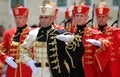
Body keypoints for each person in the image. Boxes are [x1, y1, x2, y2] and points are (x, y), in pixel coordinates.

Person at [20, 3, 84, 77]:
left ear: (52, 19)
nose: (43, 20)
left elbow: (77, 47)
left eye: (46, 17)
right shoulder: (33, 33)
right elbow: (23, 48)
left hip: (52, 73)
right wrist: (29, 61)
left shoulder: (58, 33)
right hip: (36, 72)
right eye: (41, 17)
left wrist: (70, 40)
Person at [73, 3, 112, 77]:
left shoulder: (93, 33)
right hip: (74, 70)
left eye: (81, 16)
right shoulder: (71, 33)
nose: (79, 18)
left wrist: (101, 43)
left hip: (87, 70)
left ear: (87, 17)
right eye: (77, 15)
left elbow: (107, 43)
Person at [0, 6, 32, 77]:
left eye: (20, 18)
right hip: (12, 70)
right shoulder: (9, 33)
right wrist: (6, 58)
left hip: (27, 70)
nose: (17, 20)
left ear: (26, 18)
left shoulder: (32, 33)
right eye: (16, 18)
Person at [94, 2, 120, 77]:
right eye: (99, 17)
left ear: (107, 18)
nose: (101, 19)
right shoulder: (92, 32)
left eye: (103, 17)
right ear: (96, 18)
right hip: (97, 66)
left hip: (111, 66)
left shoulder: (115, 32)